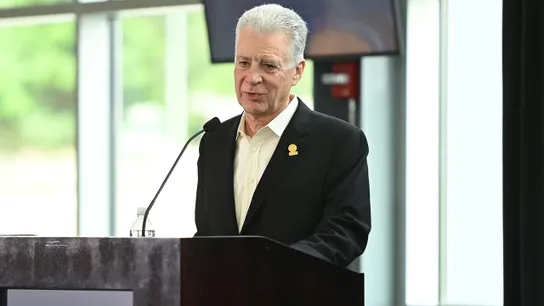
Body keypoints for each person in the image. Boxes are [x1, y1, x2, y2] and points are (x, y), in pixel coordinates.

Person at [194, 3, 371, 268]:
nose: (252, 77)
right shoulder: (214, 140)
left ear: (297, 71)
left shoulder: (339, 142)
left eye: (268, 65)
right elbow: (206, 234)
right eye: (243, 63)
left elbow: (345, 233)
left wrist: (275, 267)